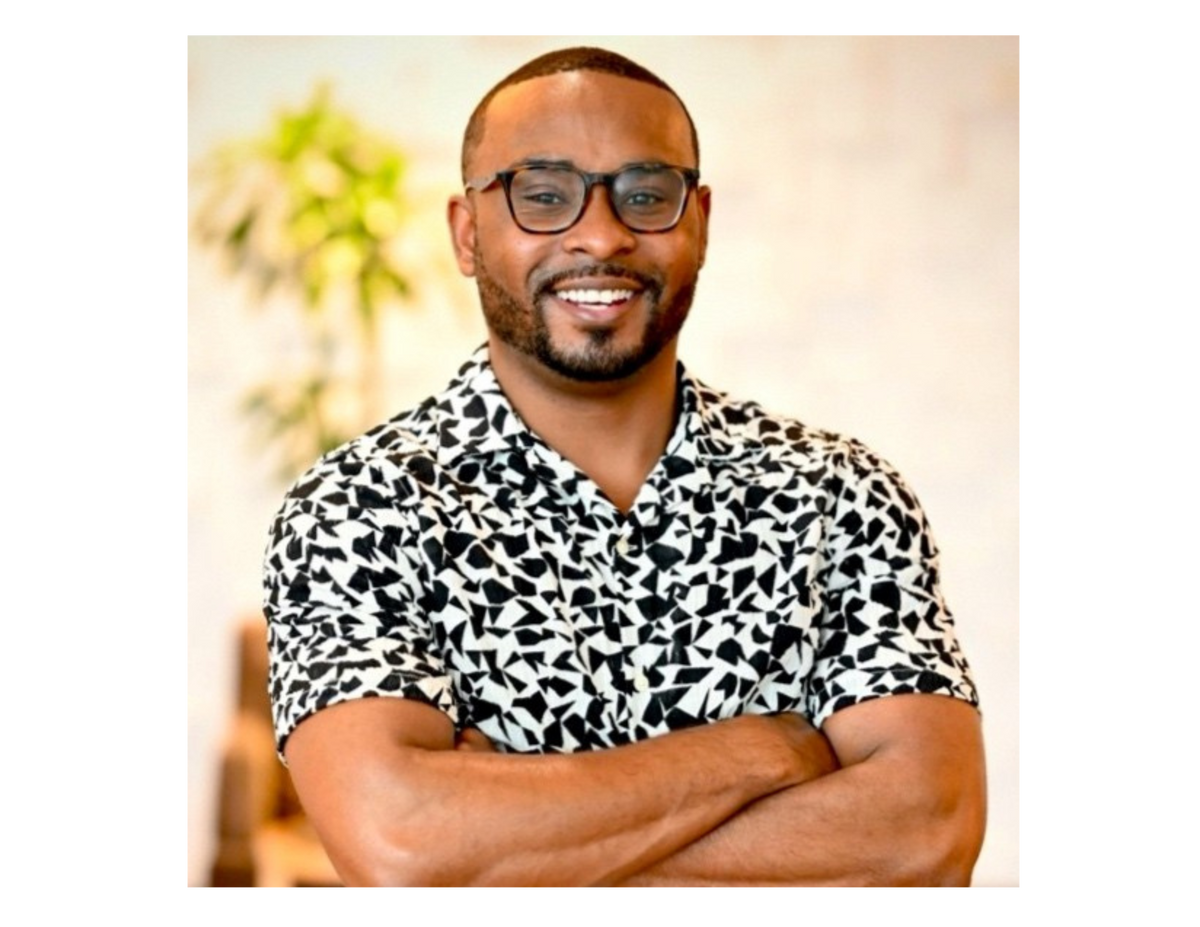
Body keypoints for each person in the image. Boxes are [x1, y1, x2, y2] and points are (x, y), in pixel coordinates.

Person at [263, 46, 986, 890]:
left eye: (646, 195)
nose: (601, 234)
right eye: (542, 195)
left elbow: (925, 838)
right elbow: (404, 847)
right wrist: (761, 752)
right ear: (466, 233)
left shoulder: (842, 496)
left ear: (700, 223)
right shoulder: (358, 509)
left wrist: (511, 845)